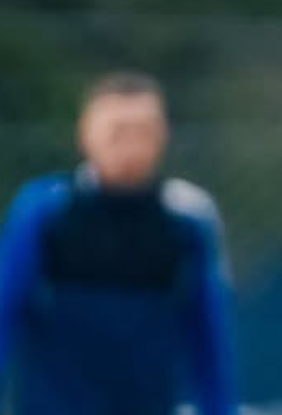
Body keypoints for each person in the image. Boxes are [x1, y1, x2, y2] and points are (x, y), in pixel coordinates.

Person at [0, 72, 236, 415]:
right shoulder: (45, 211)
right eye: (117, 132)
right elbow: (6, 309)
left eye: (143, 133)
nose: (131, 147)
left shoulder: (187, 219)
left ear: (163, 136)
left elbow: (207, 335)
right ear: (86, 133)